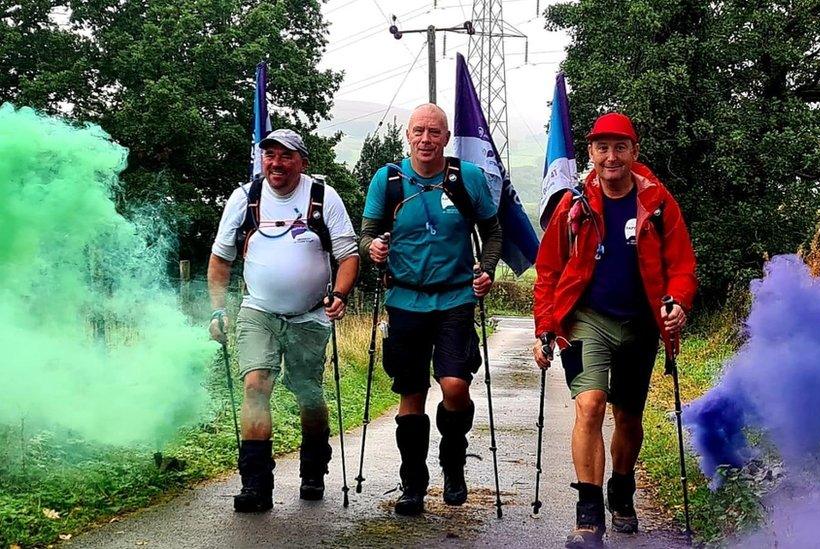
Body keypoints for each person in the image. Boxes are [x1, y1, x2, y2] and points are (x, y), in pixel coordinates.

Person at [532, 113, 697, 547]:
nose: (611, 156)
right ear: (591, 153)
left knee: (628, 415)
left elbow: (681, 265)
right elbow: (548, 270)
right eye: (602, 147)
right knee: (590, 405)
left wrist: (677, 303)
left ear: (634, 152)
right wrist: (545, 327)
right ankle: (588, 517)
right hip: (587, 318)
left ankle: (621, 493)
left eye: (620, 147)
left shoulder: (658, 204)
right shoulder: (573, 206)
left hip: (641, 322)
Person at [359, 103, 503, 516]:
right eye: (418, 131)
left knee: (455, 387)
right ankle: (413, 483)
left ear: (446, 138)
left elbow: (492, 230)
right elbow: (367, 233)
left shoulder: (467, 179)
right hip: (404, 299)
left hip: (456, 297)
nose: (426, 139)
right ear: (408, 135)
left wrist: (488, 269)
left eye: (434, 132)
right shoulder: (387, 181)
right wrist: (374, 248)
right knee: (411, 393)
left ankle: (453, 461)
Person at [207, 128, 360, 512]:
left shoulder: (323, 198)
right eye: (269, 155)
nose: (276, 163)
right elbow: (220, 259)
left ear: (302, 162)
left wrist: (339, 295)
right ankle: (256, 485)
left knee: (308, 392)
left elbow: (348, 255)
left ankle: (313, 468)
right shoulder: (245, 199)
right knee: (256, 385)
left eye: (286, 156)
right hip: (257, 310)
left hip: (310, 315)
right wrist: (218, 310)